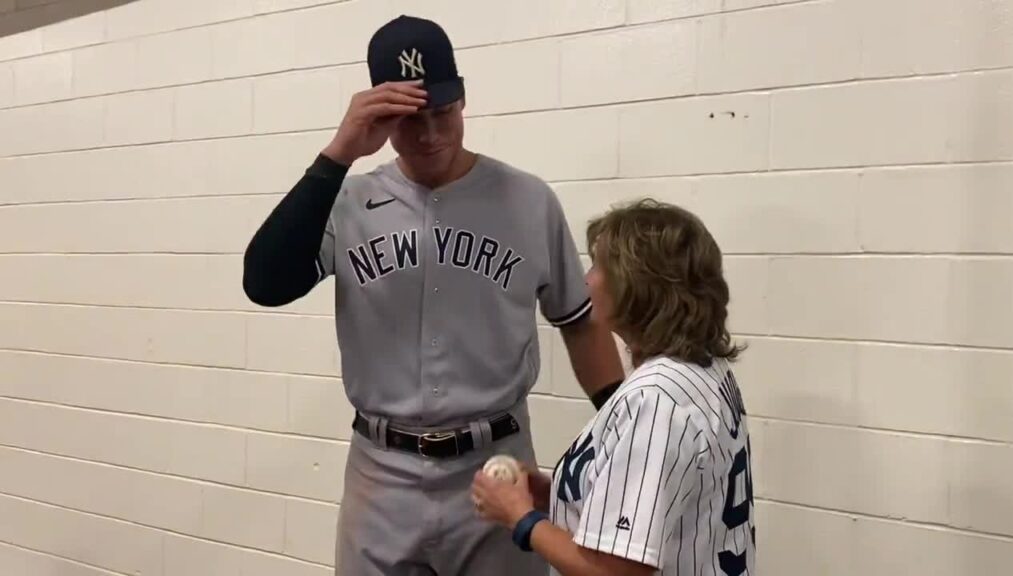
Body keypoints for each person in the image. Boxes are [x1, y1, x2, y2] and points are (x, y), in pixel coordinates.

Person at [241, 14, 625, 576]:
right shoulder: (347, 203)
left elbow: (579, 321)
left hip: (496, 469)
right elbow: (265, 283)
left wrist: (620, 433)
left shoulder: (528, 200)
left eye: (442, 113)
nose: (430, 135)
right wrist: (338, 155)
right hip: (381, 474)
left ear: (463, 99)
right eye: (408, 120)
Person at [471, 198, 756, 576]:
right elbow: (661, 492)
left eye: (599, 267)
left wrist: (520, 518)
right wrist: (559, 493)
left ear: (636, 284)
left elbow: (614, 571)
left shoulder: (658, 399)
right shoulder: (704, 368)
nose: (587, 280)